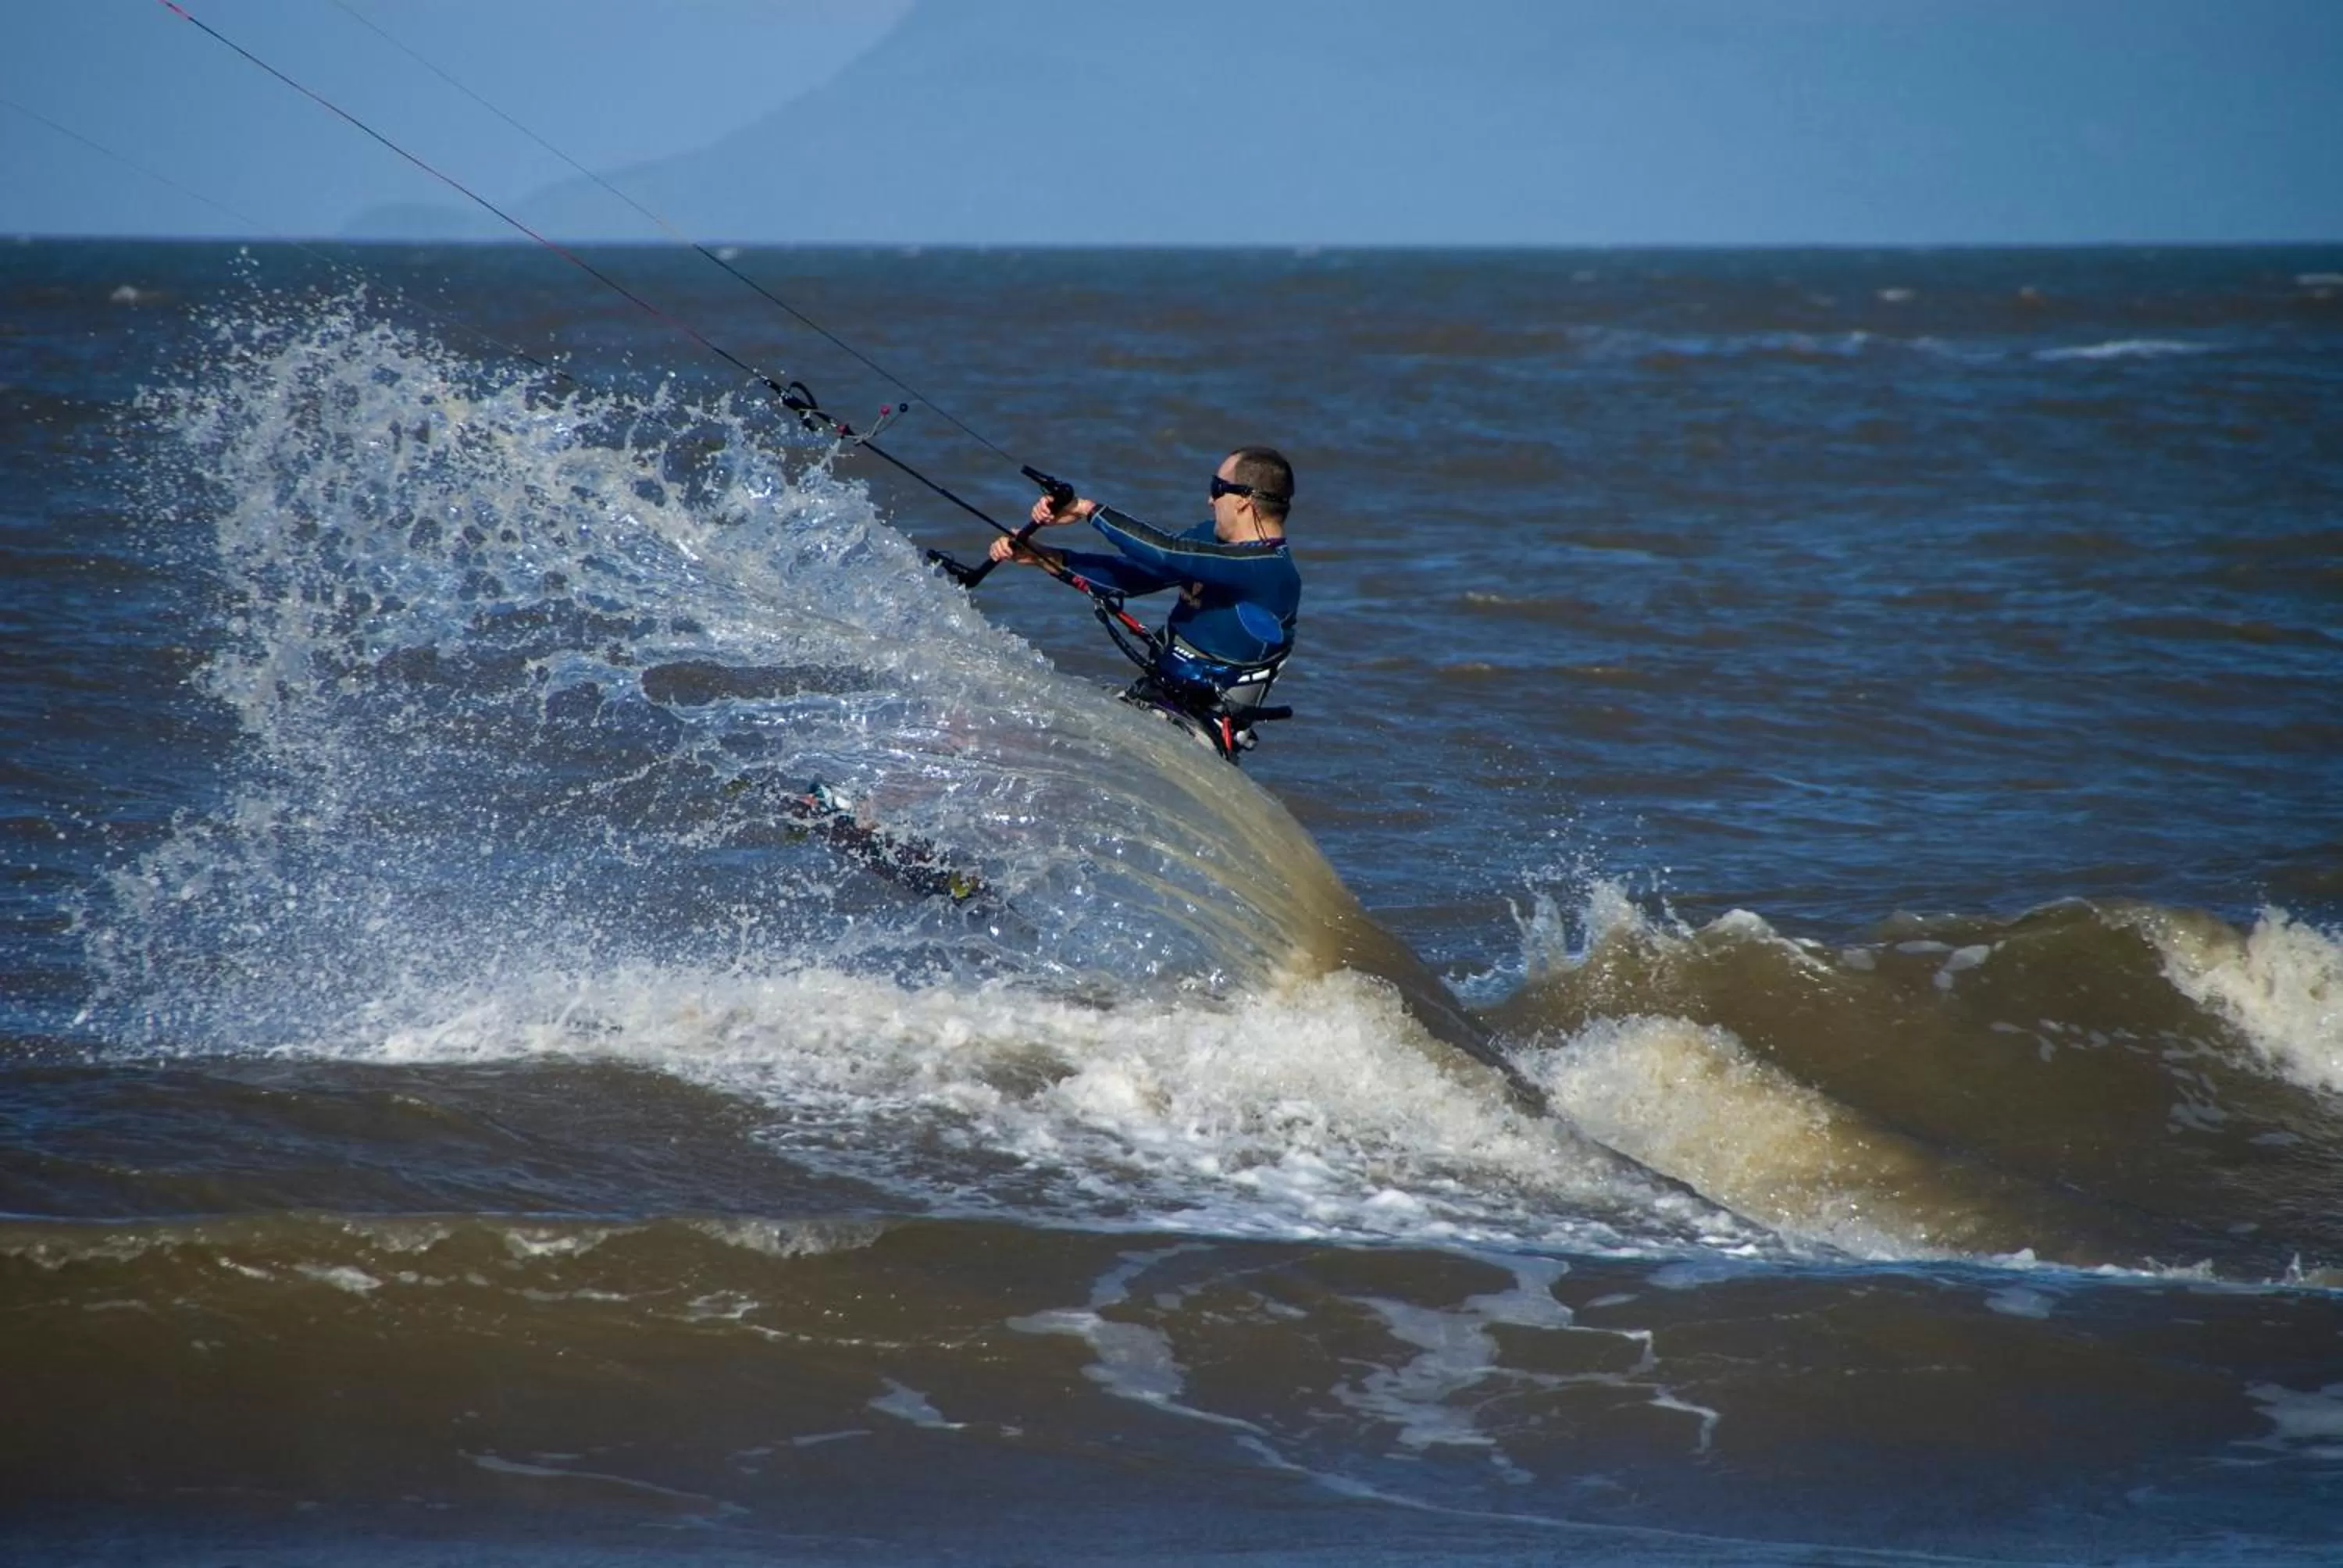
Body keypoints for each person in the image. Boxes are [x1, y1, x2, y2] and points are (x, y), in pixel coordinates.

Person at [988, 447, 1300, 757]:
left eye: (1216, 489)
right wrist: (1042, 556)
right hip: (1150, 698)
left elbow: (1168, 552)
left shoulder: (1271, 571)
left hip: (1201, 732)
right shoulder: (1210, 541)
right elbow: (1131, 577)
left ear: (1244, 500)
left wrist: (1087, 509)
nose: (1209, 500)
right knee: (1023, 736)